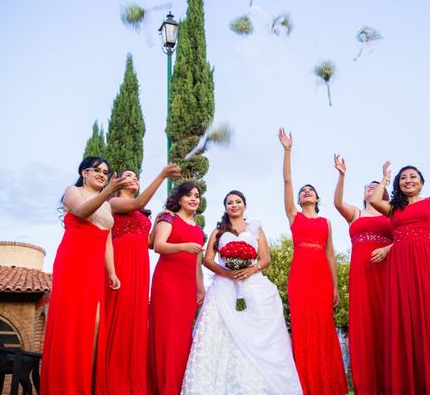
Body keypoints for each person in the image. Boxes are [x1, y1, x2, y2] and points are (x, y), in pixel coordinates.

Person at [181, 190, 302, 395]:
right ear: (225, 207)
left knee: (256, 333)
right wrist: (227, 274)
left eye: (238, 202)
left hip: (253, 287)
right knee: (220, 334)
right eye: (229, 202)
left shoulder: (255, 229)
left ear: (244, 206)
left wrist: (251, 269)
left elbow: (265, 258)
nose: (234, 205)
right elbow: (208, 260)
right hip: (224, 289)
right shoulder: (218, 231)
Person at [370, 162, 430, 395]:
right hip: (400, 264)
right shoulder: (394, 207)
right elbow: (374, 201)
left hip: (427, 260)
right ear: (398, 184)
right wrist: (384, 179)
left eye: (413, 177)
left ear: (421, 182)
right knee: (405, 316)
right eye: (403, 178)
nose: (408, 181)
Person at [41, 156, 132, 394]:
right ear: (84, 173)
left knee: (95, 323)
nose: (102, 174)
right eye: (97, 170)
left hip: (94, 267)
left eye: (106, 171)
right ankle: (66, 386)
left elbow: (107, 239)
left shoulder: (107, 205)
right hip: (73, 260)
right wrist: (109, 190)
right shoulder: (73, 191)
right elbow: (81, 212)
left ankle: (85, 385)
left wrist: (112, 272)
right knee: (71, 323)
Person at [278, 128, 347, 395]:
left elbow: (330, 254)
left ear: (317, 199)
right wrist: (287, 150)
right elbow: (286, 181)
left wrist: (335, 287)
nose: (306, 192)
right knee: (303, 328)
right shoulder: (294, 216)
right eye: (303, 191)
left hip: (321, 278)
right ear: (298, 199)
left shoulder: (326, 222)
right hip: (300, 277)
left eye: (311, 191)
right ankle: (304, 385)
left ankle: (328, 385)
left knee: (324, 327)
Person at [104, 163, 181, 395]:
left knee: (137, 320)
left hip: (140, 265)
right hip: (122, 261)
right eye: (128, 176)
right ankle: (114, 381)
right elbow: (138, 203)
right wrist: (162, 175)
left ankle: (132, 382)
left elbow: (147, 243)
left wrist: (158, 222)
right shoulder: (113, 203)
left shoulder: (139, 213)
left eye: (136, 176)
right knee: (120, 317)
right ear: (117, 183)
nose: (134, 178)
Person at [333, 154, 392, 395]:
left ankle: (394, 380)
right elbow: (337, 203)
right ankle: (368, 384)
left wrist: (385, 179)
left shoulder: (390, 213)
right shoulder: (355, 213)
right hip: (361, 274)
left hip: (387, 271)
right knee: (365, 324)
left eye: (375, 187)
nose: (370, 188)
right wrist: (342, 175)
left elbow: (403, 238)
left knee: (387, 319)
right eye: (367, 187)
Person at [147, 182, 205, 394]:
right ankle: (164, 386)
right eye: (188, 195)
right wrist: (183, 247)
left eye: (196, 196)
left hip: (188, 286)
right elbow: (158, 246)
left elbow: (197, 262)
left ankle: (180, 385)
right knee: (167, 336)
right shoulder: (168, 218)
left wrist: (201, 288)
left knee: (182, 337)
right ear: (179, 199)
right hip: (168, 283)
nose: (193, 199)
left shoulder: (199, 230)